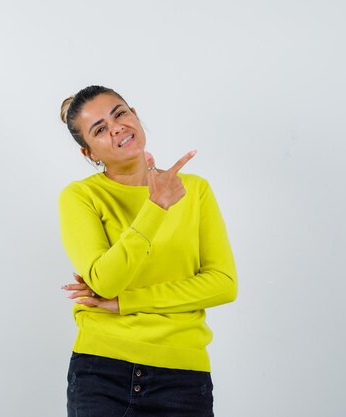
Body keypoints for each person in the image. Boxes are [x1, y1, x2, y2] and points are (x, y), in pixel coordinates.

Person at [58, 85, 237, 417]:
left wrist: (127, 302)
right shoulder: (81, 197)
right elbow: (104, 281)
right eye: (99, 130)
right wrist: (156, 206)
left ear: (135, 115)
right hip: (102, 372)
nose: (117, 128)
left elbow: (223, 284)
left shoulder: (195, 190)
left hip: (181, 377)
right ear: (89, 153)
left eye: (120, 113)